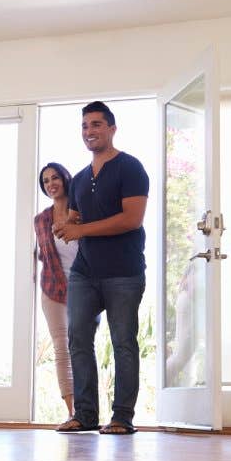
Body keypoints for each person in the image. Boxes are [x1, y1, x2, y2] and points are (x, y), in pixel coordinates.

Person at [53, 101, 150, 435]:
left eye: (95, 125)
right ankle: (85, 414)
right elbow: (79, 215)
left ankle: (122, 416)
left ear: (111, 128)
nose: (89, 132)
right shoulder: (79, 179)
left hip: (124, 271)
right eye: (84, 126)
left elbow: (132, 218)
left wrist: (80, 229)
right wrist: (69, 221)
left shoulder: (130, 168)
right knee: (77, 337)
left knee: (123, 341)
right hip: (84, 272)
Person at [33, 162, 76, 419]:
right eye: (46, 181)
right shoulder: (41, 220)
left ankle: (88, 407)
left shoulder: (83, 213)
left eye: (55, 178)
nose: (51, 184)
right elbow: (43, 255)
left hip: (85, 288)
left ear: (65, 178)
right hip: (53, 289)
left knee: (83, 347)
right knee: (62, 347)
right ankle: (73, 412)